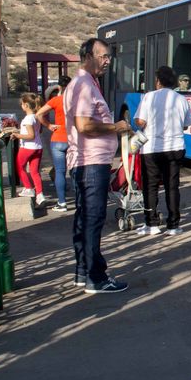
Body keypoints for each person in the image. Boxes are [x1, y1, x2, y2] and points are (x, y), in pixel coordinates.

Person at [64, 38, 131, 294]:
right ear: (88, 56)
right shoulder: (82, 84)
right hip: (90, 162)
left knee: (85, 218)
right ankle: (96, 277)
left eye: (108, 56)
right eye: (103, 56)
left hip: (90, 161)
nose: (107, 61)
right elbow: (84, 126)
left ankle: (83, 271)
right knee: (92, 219)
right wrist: (116, 127)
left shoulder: (88, 83)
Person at [134, 65, 191, 236]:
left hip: (151, 148)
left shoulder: (149, 97)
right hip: (175, 148)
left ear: (158, 81)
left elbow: (140, 122)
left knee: (150, 186)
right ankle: (173, 225)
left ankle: (151, 224)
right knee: (172, 186)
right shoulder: (181, 99)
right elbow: (186, 123)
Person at [36, 75, 71, 209]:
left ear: (60, 87)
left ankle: (62, 202)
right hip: (73, 139)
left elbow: (39, 114)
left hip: (58, 139)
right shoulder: (76, 101)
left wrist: (49, 125)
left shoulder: (56, 100)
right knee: (75, 171)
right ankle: (81, 202)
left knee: (60, 171)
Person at [5, 92, 46, 208]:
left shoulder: (28, 119)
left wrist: (17, 136)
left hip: (28, 147)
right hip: (38, 147)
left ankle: (28, 188)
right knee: (35, 172)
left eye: (22, 104)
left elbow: (31, 135)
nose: (21, 106)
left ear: (26, 105)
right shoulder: (36, 117)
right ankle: (40, 194)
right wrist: (19, 131)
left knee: (19, 166)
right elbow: (38, 132)